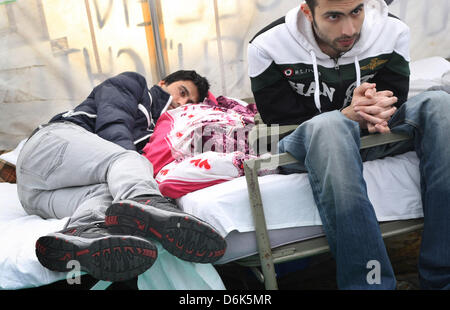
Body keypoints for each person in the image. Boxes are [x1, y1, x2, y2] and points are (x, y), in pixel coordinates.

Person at [248, 0, 450, 289]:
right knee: (331, 127)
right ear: (308, 12)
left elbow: (395, 98)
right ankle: (370, 284)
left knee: (442, 105)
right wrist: (346, 117)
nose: (349, 28)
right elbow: (280, 124)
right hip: (307, 143)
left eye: (356, 11)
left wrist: (375, 107)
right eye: (333, 16)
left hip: (375, 133)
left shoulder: (392, 30)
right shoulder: (267, 46)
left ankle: (444, 279)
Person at [16, 70, 226, 282]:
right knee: (127, 160)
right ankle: (145, 201)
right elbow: (113, 122)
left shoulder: (162, 128)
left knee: (109, 191)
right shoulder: (134, 84)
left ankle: (82, 232)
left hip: (35, 197)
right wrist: (139, 180)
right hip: (49, 146)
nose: (181, 102)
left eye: (189, 102)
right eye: (182, 92)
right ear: (163, 82)